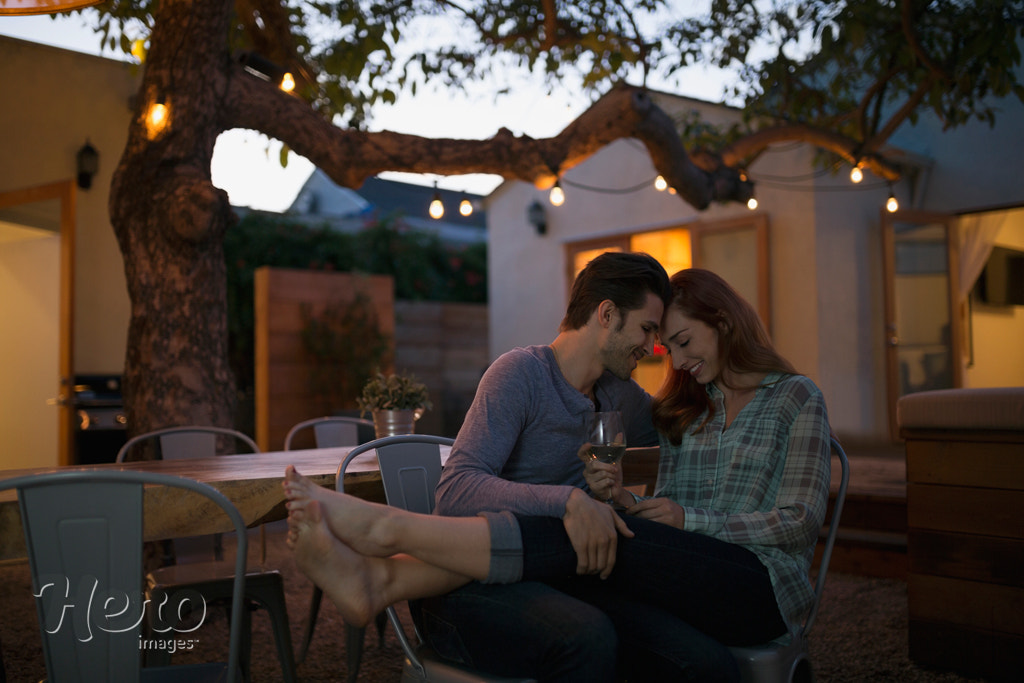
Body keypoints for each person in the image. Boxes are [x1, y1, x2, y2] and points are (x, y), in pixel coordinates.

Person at [285, 266, 833, 682]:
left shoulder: (647, 400)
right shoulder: (524, 375)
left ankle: (389, 552)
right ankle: (386, 548)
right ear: (605, 315)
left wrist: (622, 503)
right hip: (526, 573)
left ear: (723, 322)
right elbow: (455, 492)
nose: (656, 351)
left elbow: (794, 518)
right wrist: (574, 500)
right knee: (652, 643)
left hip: (650, 567)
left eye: (672, 341)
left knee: (681, 637)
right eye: (649, 333)